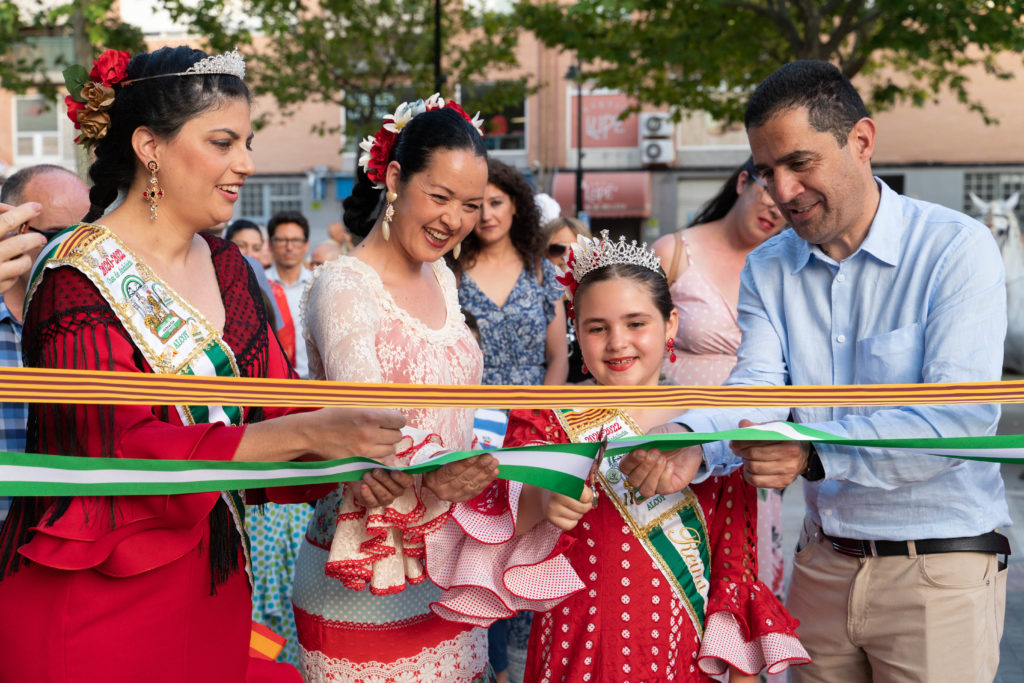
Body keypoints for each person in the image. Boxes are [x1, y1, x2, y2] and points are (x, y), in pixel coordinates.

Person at [0, 45, 407, 682]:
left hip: (210, 583)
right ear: (149, 147)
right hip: (95, 595)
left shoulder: (227, 268)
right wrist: (305, 434)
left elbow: (282, 406)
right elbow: (116, 448)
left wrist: (358, 451)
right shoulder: (76, 275)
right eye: (222, 142)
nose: (246, 163)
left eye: (246, 142)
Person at [622, 60, 1011, 683]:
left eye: (800, 163)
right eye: (766, 171)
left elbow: (956, 420)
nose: (782, 190)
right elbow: (756, 389)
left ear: (861, 141)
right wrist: (692, 444)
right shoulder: (770, 266)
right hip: (821, 566)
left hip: (939, 571)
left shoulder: (954, 250)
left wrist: (814, 457)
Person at [280, 94, 589, 683]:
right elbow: (365, 423)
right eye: (439, 197)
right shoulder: (346, 284)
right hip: (365, 563)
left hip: (450, 558)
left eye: (470, 205)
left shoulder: (444, 278)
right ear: (395, 178)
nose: (454, 219)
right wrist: (437, 471)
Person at [505, 230, 808, 682]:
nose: (617, 342)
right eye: (597, 327)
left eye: (636, 323)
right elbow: (510, 522)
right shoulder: (549, 417)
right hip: (575, 642)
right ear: (577, 331)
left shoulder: (707, 428)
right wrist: (544, 503)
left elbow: (735, 568)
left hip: (676, 649)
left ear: (670, 325)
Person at [651, 159, 788, 598]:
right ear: (744, 181)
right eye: (769, 193)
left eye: (788, 208)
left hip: (746, 441)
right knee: (675, 572)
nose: (775, 211)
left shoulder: (780, 268)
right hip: (675, 435)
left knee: (742, 578)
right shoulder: (674, 252)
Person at [0, 165, 90, 525]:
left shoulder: (101, 334)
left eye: (85, 235)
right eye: (55, 235)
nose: (73, 250)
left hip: (68, 554)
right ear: (12, 231)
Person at [454, 159, 568, 386]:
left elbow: (558, 358)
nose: (486, 216)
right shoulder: (452, 274)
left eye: (496, 203)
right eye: (477, 206)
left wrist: (541, 413)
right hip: (473, 411)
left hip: (535, 410)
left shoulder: (541, 270)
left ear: (515, 205)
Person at [225, 218, 296, 365]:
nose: (249, 254)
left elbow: (283, 338)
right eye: (241, 246)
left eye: (256, 248)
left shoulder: (275, 290)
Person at [543, 216, 592, 385]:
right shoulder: (533, 302)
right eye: (557, 249)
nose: (566, 256)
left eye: (576, 249)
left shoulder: (598, 301)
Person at [266, 209, 313, 377]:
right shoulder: (260, 285)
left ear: (306, 245)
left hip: (313, 380)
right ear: (270, 244)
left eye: (296, 240)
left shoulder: (317, 284)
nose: (289, 247)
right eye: (282, 240)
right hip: (273, 381)